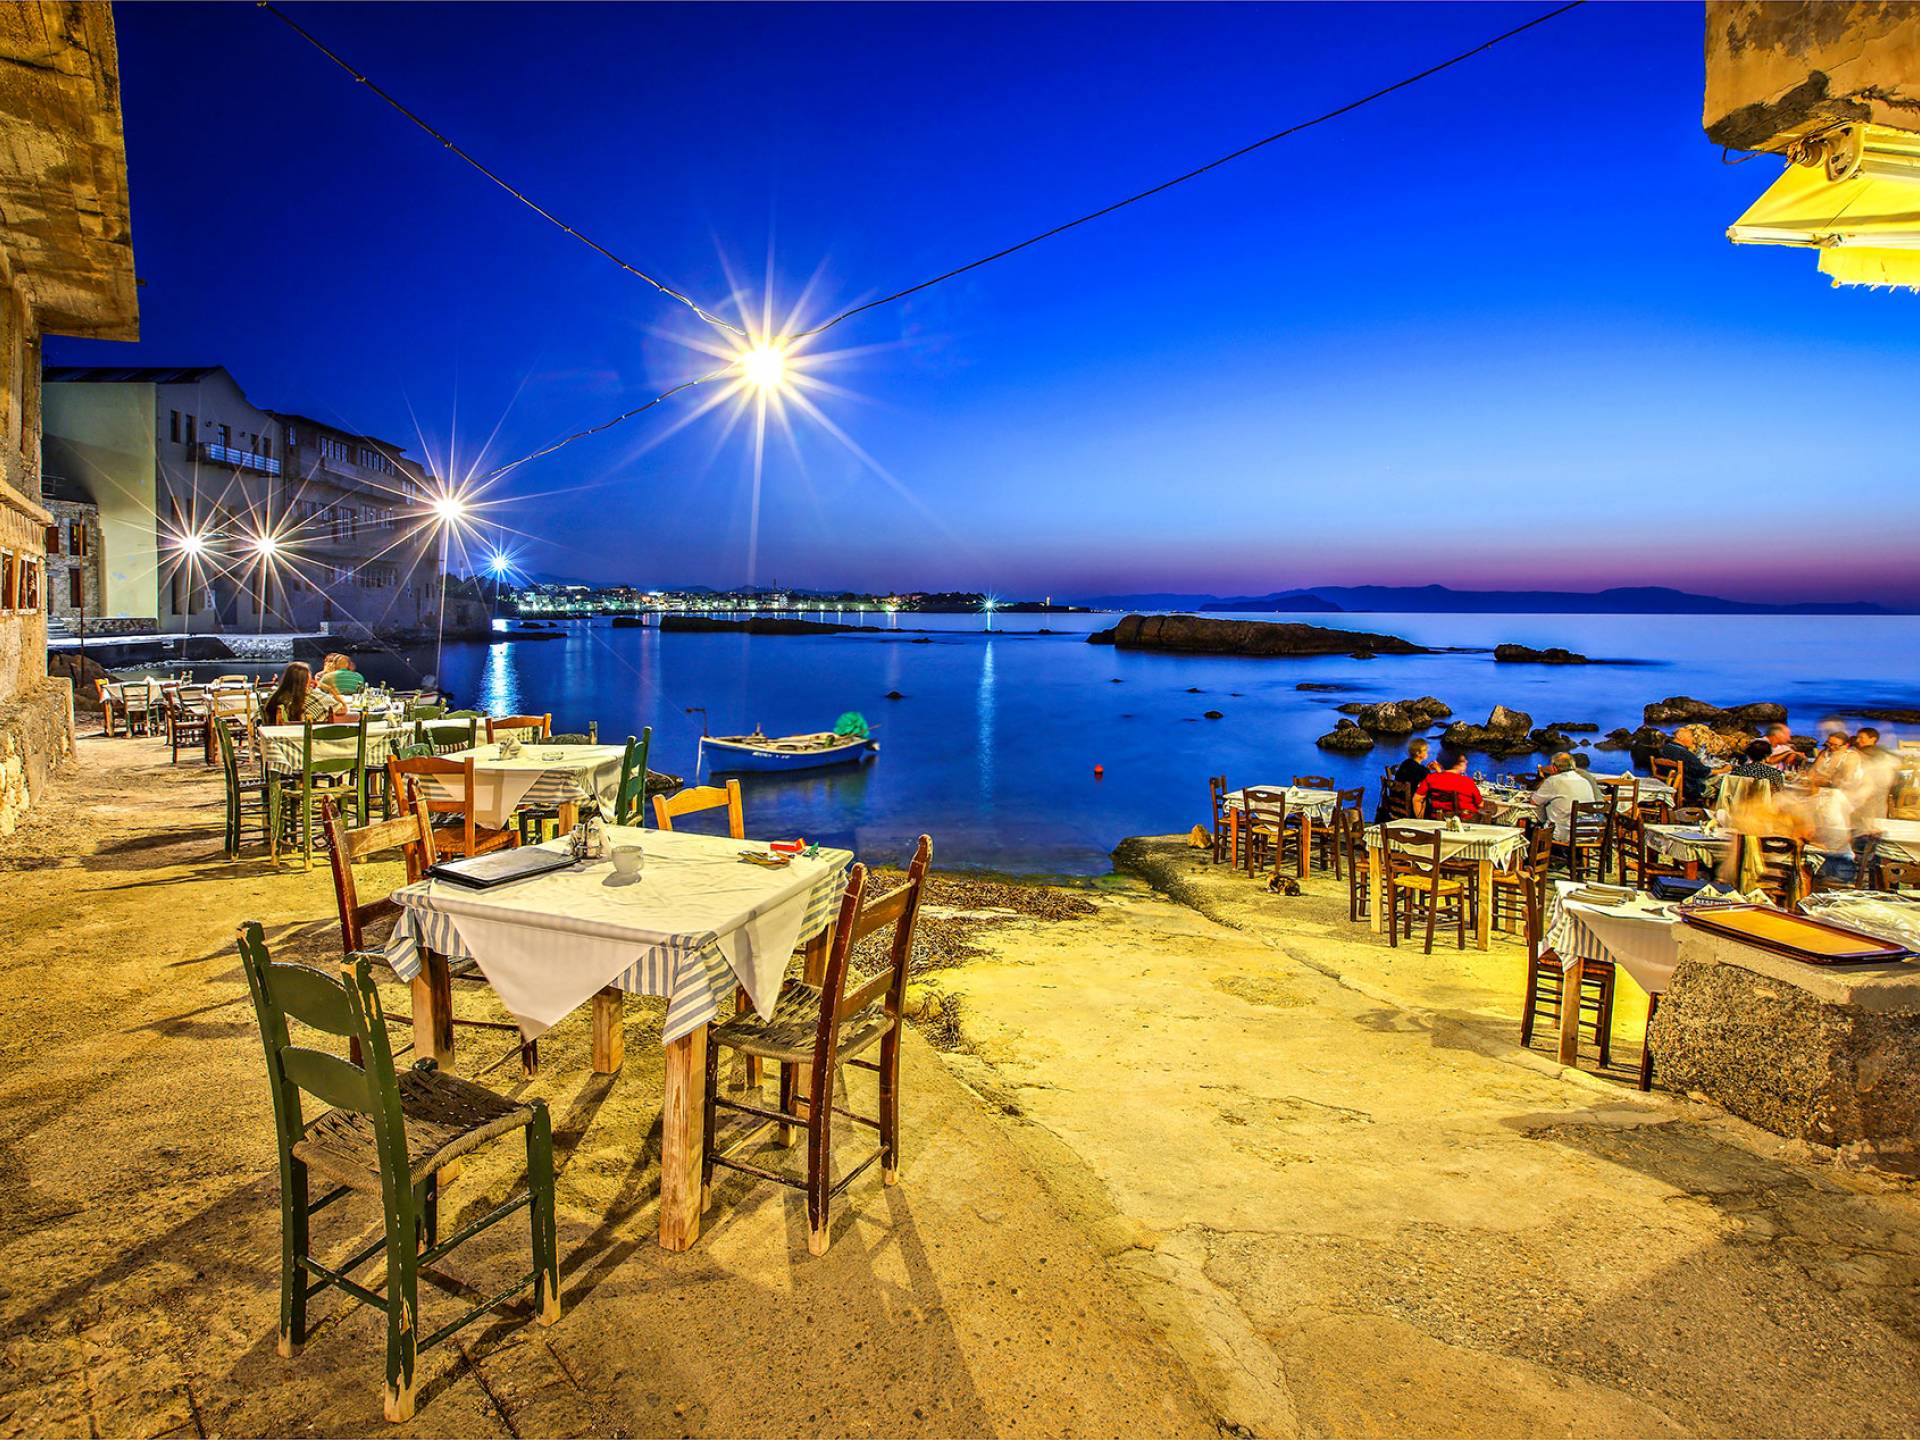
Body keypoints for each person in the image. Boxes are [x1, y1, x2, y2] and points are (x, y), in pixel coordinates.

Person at [1530, 752, 1596, 841]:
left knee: (1532, 827)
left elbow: (1534, 801)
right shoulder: (1585, 781)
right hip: (1589, 834)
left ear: (1554, 768)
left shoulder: (1553, 781)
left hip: (1565, 835)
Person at [1413, 747, 1483, 820]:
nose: (1467, 762)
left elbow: (1417, 799)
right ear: (1456, 764)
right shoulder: (1468, 782)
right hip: (1466, 821)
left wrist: (1420, 820)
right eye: (1463, 761)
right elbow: (1480, 804)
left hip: (1438, 820)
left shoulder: (1431, 778)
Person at [1655, 725, 1715, 806]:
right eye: (1690, 737)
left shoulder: (1666, 748)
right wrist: (1723, 770)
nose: (1693, 740)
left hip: (1668, 785)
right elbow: (1703, 772)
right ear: (1680, 737)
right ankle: (1712, 811)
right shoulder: (1684, 753)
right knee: (1720, 786)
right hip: (1688, 789)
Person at [262, 661, 332, 725]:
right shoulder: (311, 699)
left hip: (279, 732)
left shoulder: (276, 697)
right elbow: (335, 707)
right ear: (306, 680)